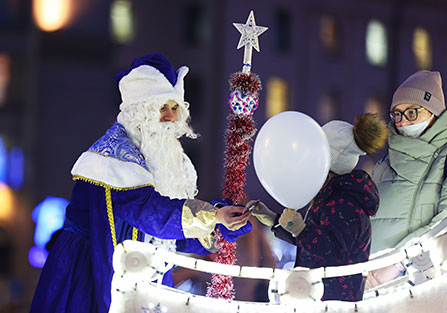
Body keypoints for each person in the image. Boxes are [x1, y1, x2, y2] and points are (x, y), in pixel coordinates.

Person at [29, 53, 252, 313]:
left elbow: (167, 238)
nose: (170, 116)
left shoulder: (164, 160)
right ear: (140, 110)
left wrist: (219, 225)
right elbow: (148, 213)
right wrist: (212, 216)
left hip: (141, 274)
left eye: (175, 108)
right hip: (89, 272)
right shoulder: (112, 154)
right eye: (161, 108)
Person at [248, 113, 388, 301]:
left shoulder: (346, 203)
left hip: (335, 303)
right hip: (318, 296)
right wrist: (274, 220)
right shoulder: (330, 196)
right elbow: (312, 242)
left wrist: (300, 229)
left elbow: (334, 254)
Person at [367, 70, 447, 288]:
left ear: (434, 112)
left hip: (420, 289)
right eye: (397, 114)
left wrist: (395, 265)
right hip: (368, 291)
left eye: (412, 113)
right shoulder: (385, 163)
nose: (402, 122)